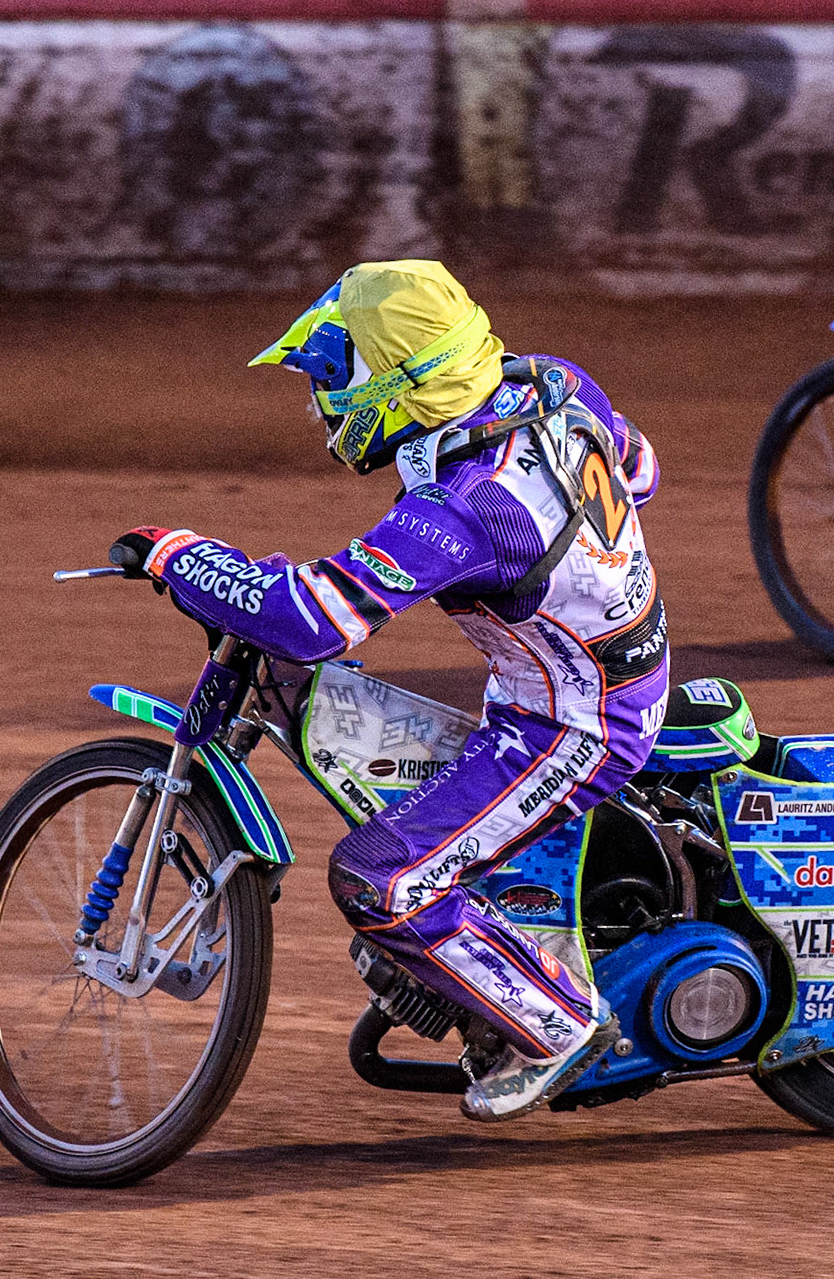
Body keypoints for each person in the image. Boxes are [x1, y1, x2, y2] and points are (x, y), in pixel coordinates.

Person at [110, 260, 668, 1120]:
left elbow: (311, 621)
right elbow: (642, 469)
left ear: (403, 384)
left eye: (337, 375)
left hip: (573, 723)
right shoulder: (547, 382)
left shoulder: (470, 507)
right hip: (594, 664)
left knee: (378, 879)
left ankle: (558, 1025)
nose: (322, 398)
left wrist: (181, 554)